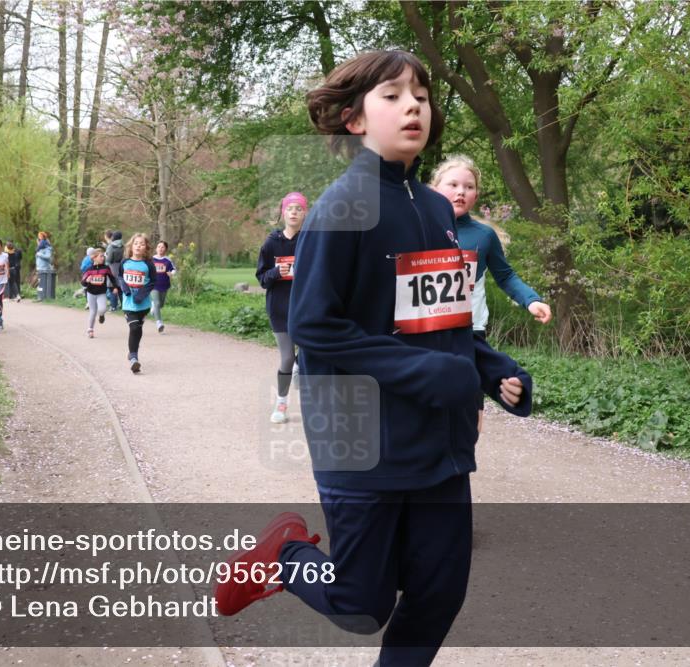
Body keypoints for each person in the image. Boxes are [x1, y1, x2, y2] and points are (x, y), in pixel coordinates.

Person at [213, 51, 533, 667]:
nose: (413, 105)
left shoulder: (437, 210)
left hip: (434, 440)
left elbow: (439, 317)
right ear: (354, 119)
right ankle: (282, 557)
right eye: (392, 95)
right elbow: (313, 324)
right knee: (361, 603)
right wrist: (427, 371)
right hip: (359, 435)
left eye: (421, 94)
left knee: (439, 593)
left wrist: (494, 370)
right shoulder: (342, 207)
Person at [430, 155, 552, 433]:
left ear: (476, 195)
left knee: (469, 417)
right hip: (425, 330)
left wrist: (531, 300)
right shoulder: (419, 227)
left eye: (468, 187)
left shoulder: (483, 236)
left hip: (469, 331)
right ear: (435, 188)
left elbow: (506, 275)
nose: (461, 191)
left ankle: (459, 459)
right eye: (453, 184)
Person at [256, 193, 307, 423]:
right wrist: (277, 272)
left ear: (305, 213)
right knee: (287, 358)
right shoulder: (271, 243)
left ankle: (313, 405)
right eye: (290, 208)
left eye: (298, 208)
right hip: (279, 307)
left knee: (310, 354)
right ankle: (281, 403)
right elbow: (262, 278)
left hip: (306, 307)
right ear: (283, 213)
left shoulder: (311, 240)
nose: (294, 212)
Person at [118, 233, 156, 373]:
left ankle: (132, 351)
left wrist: (141, 294)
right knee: (134, 328)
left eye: (141, 244)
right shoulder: (125, 262)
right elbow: (120, 277)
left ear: (146, 247)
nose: (138, 246)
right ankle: (134, 358)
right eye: (136, 243)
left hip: (143, 304)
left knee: (138, 328)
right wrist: (126, 289)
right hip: (128, 303)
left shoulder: (148, 265)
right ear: (131, 246)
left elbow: (152, 282)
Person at [81, 248, 120, 338]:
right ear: (94, 258)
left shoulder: (106, 268)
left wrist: (115, 287)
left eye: (103, 256)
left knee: (102, 309)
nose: (103, 258)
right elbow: (83, 282)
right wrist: (87, 280)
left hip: (101, 293)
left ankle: (101, 315)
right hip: (91, 293)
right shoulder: (89, 269)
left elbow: (112, 278)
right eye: (101, 256)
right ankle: (90, 330)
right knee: (92, 311)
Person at [150, 241, 176, 333]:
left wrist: (171, 274)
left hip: (164, 285)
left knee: (160, 305)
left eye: (162, 247)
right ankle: (159, 323)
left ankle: (153, 308)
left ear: (165, 249)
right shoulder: (151, 259)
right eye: (159, 246)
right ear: (156, 248)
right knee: (157, 303)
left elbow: (173, 269)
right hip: (153, 286)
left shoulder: (167, 260)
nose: (160, 249)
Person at [105, 230, 124, 312]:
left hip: (112, 267)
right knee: (120, 287)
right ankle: (124, 306)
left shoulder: (111, 246)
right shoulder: (124, 246)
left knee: (112, 287)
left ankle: (113, 306)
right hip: (121, 267)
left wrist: (106, 256)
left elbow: (109, 259)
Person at [35, 232, 55, 301]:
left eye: (40, 240)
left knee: (42, 283)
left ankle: (43, 297)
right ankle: (40, 296)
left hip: (44, 268)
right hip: (39, 268)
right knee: (39, 283)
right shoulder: (40, 249)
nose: (39, 242)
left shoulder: (47, 249)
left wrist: (39, 254)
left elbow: (48, 256)